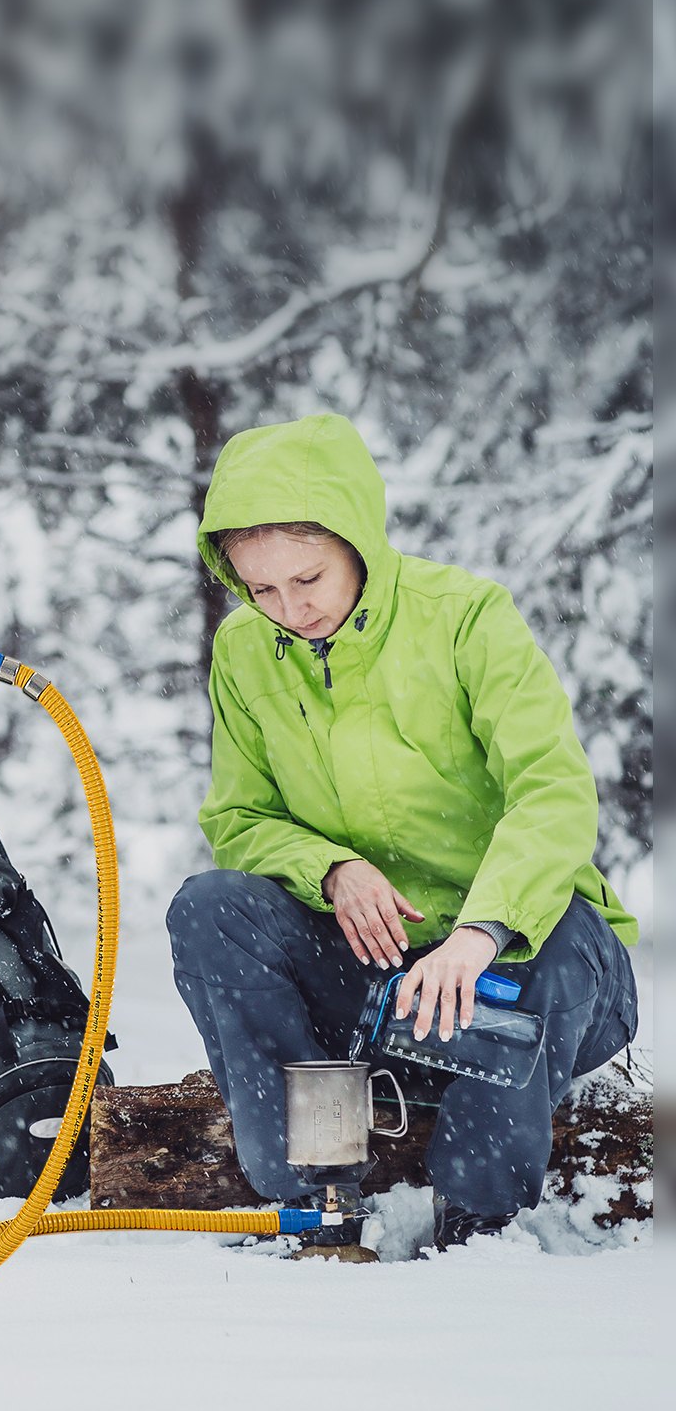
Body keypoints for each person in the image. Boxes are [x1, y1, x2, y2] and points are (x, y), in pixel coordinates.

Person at [168, 412, 639, 1248]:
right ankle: (318, 1190)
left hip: (519, 970)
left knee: (560, 931)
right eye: (261, 590)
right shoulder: (245, 650)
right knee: (210, 909)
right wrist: (331, 869)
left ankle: (479, 1222)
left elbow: (553, 793)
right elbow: (239, 819)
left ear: (356, 538)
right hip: (373, 988)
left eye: (307, 578)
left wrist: (480, 933)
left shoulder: (465, 617)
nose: (290, 609)